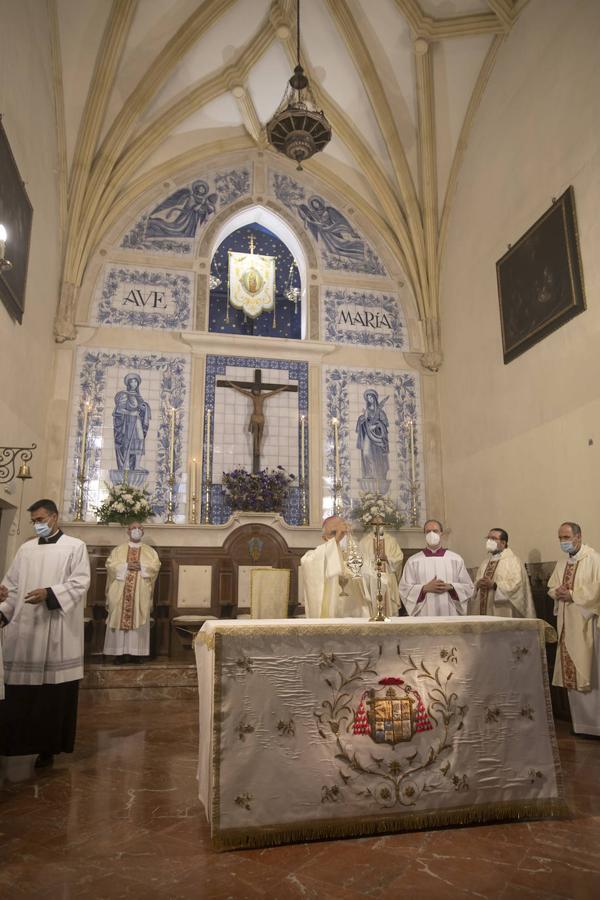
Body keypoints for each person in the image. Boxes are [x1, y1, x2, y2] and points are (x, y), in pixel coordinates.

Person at [0, 500, 90, 768]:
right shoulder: (26, 549)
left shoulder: (75, 547)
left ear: (54, 517)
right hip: (25, 630)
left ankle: (47, 749)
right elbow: (12, 587)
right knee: (20, 695)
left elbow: (80, 582)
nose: (37, 524)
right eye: (33, 521)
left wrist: (49, 593)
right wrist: (3, 611)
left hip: (56, 632)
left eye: (40, 519)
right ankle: (13, 744)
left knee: (52, 697)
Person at [548, 521, 600, 736]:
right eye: (560, 538)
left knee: (590, 672)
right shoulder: (562, 564)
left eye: (566, 537)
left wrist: (573, 595)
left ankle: (596, 727)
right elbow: (552, 587)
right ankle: (580, 726)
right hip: (566, 625)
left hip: (586, 625)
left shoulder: (594, 559)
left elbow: (597, 589)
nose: (563, 542)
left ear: (578, 536)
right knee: (573, 677)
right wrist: (557, 592)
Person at [103, 522, 161, 662]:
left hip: (140, 593)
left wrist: (141, 566)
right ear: (128, 531)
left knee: (138, 618)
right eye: (133, 528)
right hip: (120, 591)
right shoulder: (118, 550)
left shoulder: (150, 551)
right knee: (119, 617)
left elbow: (155, 566)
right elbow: (110, 565)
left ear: (143, 532)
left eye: (140, 528)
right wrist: (126, 566)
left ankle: (136, 653)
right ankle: (119, 653)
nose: (137, 530)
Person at [399, 519, 473, 616]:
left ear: (441, 533)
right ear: (424, 534)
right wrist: (424, 588)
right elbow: (404, 589)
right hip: (424, 613)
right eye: (428, 531)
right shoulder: (413, 561)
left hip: (450, 611)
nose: (431, 534)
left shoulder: (456, 559)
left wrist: (451, 587)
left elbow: (469, 587)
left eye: (435, 531)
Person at [301, 516, 369, 618]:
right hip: (330, 613)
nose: (340, 536)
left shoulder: (357, 553)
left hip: (355, 611)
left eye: (343, 532)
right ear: (324, 538)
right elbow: (307, 562)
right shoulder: (315, 556)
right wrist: (336, 540)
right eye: (334, 533)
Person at [470, 528, 536, 617]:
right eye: (488, 538)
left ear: (503, 543)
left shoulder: (513, 561)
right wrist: (478, 584)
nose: (489, 541)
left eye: (493, 538)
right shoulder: (485, 563)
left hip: (503, 610)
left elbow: (516, 586)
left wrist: (494, 586)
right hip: (484, 611)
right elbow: (476, 584)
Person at [358, 523, 403, 617]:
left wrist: (387, 558)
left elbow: (399, 559)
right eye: (375, 523)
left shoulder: (391, 541)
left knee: (389, 606)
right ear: (371, 525)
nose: (378, 526)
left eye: (380, 523)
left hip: (388, 578)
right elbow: (360, 561)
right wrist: (373, 557)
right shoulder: (364, 541)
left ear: (384, 524)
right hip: (370, 580)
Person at [113, 373, 151, 474]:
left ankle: (137, 465)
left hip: (137, 420)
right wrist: (130, 412)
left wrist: (144, 407)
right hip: (128, 422)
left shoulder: (138, 396)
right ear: (128, 383)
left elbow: (141, 409)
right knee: (128, 442)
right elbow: (119, 410)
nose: (134, 383)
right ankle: (126, 465)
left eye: (135, 381)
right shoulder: (125, 395)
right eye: (131, 381)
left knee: (140, 439)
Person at [356, 390, 390, 489]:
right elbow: (363, 422)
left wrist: (376, 426)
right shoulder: (367, 411)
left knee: (378, 456)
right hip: (368, 435)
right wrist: (362, 420)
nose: (370, 399)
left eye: (371, 397)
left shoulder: (381, 412)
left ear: (375, 398)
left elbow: (385, 424)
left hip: (378, 437)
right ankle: (369, 473)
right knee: (366, 453)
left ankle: (378, 474)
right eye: (368, 398)